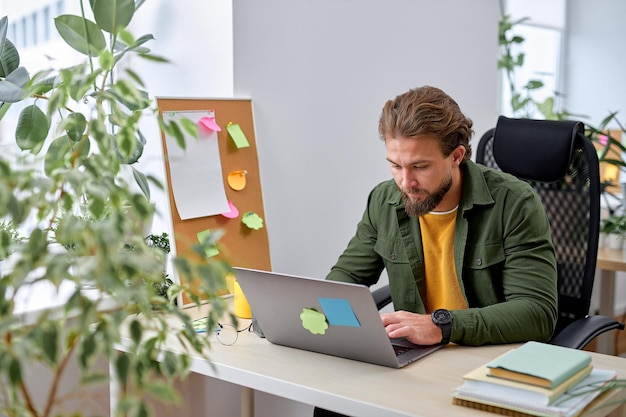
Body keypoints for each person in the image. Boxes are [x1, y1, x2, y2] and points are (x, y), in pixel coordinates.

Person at [313, 85, 558, 417]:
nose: (405, 182)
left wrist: (441, 324)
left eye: (419, 167)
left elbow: (536, 312)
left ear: (456, 156)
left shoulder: (514, 203)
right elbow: (345, 279)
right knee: (332, 403)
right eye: (395, 166)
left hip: (487, 365)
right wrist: (336, 323)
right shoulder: (383, 201)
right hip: (415, 364)